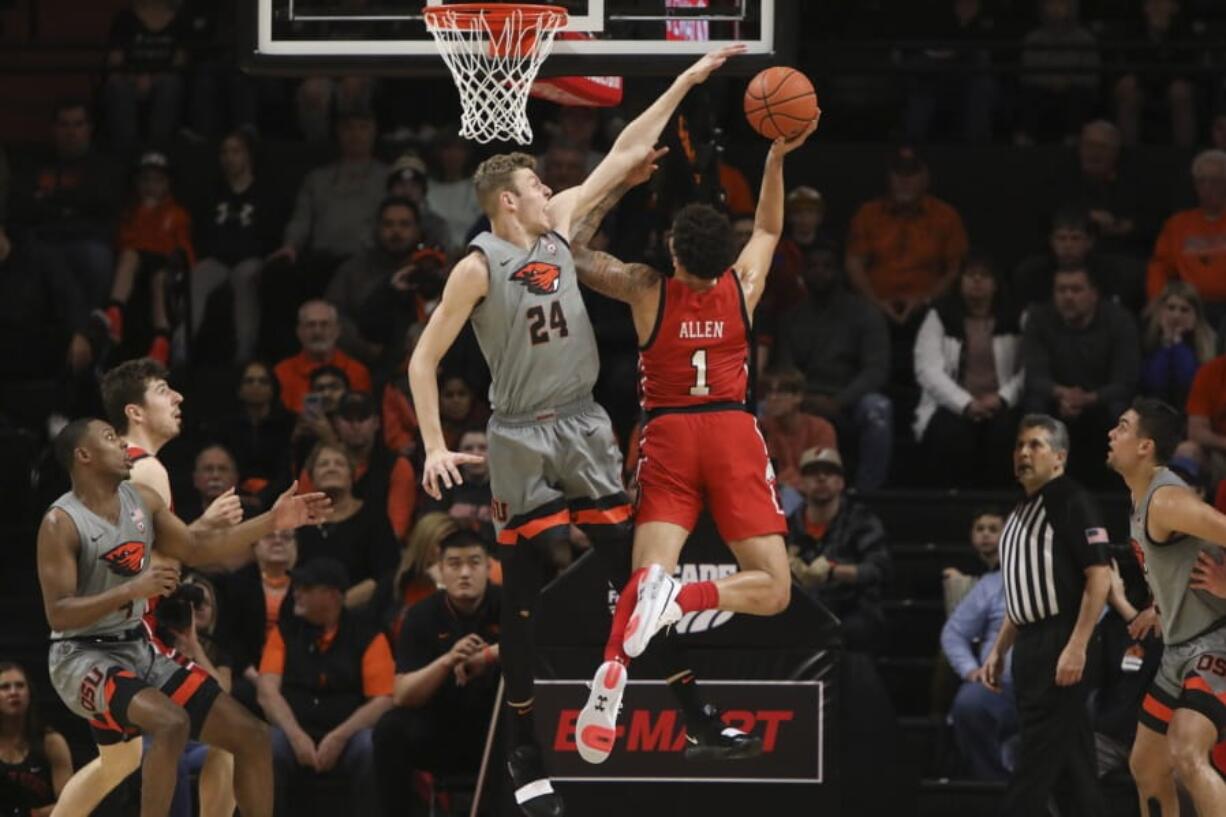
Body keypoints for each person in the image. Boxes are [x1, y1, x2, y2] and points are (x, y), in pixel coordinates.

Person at [407, 45, 753, 816]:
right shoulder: (476, 264)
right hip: (519, 436)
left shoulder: (560, 223)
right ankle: (527, 752)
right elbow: (424, 360)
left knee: (637, 576)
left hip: (585, 425)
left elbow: (628, 146)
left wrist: (688, 80)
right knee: (522, 595)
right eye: (536, 183)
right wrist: (433, 443)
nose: (549, 187)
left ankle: (690, 706)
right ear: (507, 201)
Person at [565, 110, 819, 758]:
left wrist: (620, 179)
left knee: (642, 575)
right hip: (732, 432)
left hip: (671, 438)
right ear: (720, 255)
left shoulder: (646, 288)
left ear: (674, 251)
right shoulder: (744, 286)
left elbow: (571, 248)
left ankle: (611, 681)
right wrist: (776, 158)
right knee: (775, 587)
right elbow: (768, 226)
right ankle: (683, 598)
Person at [37, 417, 329, 817]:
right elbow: (59, 613)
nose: (123, 445)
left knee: (253, 736)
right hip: (81, 655)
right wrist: (132, 589)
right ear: (83, 455)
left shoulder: (143, 499)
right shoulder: (60, 522)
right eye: (110, 438)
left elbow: (196, 548)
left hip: (137, 645)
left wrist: (271, 522)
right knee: (171, 724)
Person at [981, 414, 1111, 817]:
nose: (1023, 453)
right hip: (1032, 645)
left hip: (1062, 640)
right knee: (1074, 769)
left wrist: (1077, 644)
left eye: (1035, 445)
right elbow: (1022, 593)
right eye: (1020, 446)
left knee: (1034, 762)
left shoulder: (1071, 499)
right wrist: (999, 649)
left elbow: (1100, 576)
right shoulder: (1022, 509)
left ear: (1059, 457)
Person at [1105, 398, 1226, 816]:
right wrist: (1160, 604)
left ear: (1145, 446)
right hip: (1180, 647)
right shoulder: (1142, 498)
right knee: (1146, 765)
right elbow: (1178, 561)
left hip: (1215, 641)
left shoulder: (1168, 500)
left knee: (1188, 754)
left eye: (1122, 426)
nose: (1111, 434)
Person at [372, 529, 501, 817]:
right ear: (440, 570)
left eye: (474, 563)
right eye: (455, 564)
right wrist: (448, 660)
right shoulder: (420, 615)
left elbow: (537, 643)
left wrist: (489, 656)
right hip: (440, 726)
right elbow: (403, 694)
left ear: (489, 567)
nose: (465, 573)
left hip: (495, 726)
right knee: (390, 728)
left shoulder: (508, 605)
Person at [257, 558, 393, 817]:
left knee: (370, 747)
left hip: (349, 731)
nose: (296, 592)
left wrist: (340, 736)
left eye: (306, 588)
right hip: (293, 730)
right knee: (268, 746)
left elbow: (383, 699)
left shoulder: (370, 636)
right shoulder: (284, 632)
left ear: (332, 596)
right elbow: (267, 692)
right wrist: (296, 735)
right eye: (296, 586)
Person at [769, 240, 893, 490]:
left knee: (878, 409)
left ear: (839, 272)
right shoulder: (792, 318)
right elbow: (786, 368)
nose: (820, 273)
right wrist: (803, 398)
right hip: (804, 398)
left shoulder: (864, 314)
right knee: (765, 408)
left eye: (827, 266)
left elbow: (876, 369)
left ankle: (866, 494)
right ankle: (778, 490)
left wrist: (840, 401)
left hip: (851, 400)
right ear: (803, 273)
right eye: (813, 266)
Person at [1022, 266, 1140, 487]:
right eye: (1061, 290)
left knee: (1121, 411)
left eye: (1076, 290)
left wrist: (1088, 399)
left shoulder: (1119, 321)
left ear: (1094, 294)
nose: (1068, 296)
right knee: (1034, 406)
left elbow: (1126, 381)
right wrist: (1061, 394)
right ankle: (1037, 487)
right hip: (1057, 399)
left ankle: (1117, 491)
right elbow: (1034, 375)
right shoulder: (1039, 318)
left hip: (1100, 399)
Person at [914, 254, 1024, 487]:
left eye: (984, 276)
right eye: (970, 275)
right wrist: (965, 403)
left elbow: (1028, 369)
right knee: (950, 437)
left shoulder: (1016, 318)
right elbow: (927, 369)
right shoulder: (940, 316)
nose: (976, 281)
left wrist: (1002, 398)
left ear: (996, 284)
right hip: (951, 404)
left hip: (1002, 403)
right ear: (960, 281)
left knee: (1006, 436)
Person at [785, 447, 891, 653]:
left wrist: (834, 571)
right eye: (813, 473)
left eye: (829, 472)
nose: (821, 478)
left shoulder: (861, 521)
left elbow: (879, 569)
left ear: (841, 482)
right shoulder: (787, 527)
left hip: (851, 607)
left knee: (853, 630)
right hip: (802, 609)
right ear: (801, 484)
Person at [191, 129, 281, 364]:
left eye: (236, 151)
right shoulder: (211, 191)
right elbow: (200, 231)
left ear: (249, 155)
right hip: (216, 259)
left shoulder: (266, 192)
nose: (229, 157)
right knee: (197, 278)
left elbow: (272, 233)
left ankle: (245, 355)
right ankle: (181, 350)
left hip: (251, 259)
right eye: (224, 152)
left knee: (245, 278)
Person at [98, 151, 195, 366]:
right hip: (136, 259)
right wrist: (145, 215)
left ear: (168, 183)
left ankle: (161, 340)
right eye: (146, 180)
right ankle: (114, 313)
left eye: (158, 180)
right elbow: (124, 241)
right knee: (129, 256)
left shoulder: (177, 214)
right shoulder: (131, 212)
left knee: (161, 278)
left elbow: (183, 249)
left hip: (163, 263)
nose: (151, 186)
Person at [940, 513, 1017, 782]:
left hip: (1053, 680)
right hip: (1001, 683)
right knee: (969, 704)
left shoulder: (1067, 577)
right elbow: (954, 633)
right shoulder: (991, 584)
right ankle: (994, 785)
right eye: (980, 528)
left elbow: (1098, 619)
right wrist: (970, 669)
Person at [294, 442, 399, 610]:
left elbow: (385, 574)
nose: (331, 468)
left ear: (352, 475)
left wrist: (338, 606)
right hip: (306, 611)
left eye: (339, 464)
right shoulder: (299, 520)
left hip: (361, 611)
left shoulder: (373, 518)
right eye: (323, 464)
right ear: (311, 476)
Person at [215, 529, 297, 712]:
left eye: (286, 537)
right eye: (269, 536)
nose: (278, 542)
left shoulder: (305, 585)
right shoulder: (235, 584)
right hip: (246, 673)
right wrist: (256, 677)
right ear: (255, 546)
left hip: (293, 674)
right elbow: (228, 638)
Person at [1147, 149, 1226, 318]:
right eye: (1201, 181)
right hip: (1188, 308)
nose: (1207, 187)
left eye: (1215, 181)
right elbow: (1159, 267)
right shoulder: (1178, 224)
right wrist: (1156, 298)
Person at [274, 300, 372, 414]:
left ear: (337, 331)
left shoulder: (357, 372)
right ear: (299, 332)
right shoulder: (281, 373)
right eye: (310, 325)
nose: (317, 331)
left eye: (324, 324)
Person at [0, 663, 72, 817]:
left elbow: (70, 805)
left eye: (20, 686)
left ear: (29, 693)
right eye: (5, 687)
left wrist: (30, 814)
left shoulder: (52, 743)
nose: (14, 692)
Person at [757, 367, 838, 491]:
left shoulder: (821, 429)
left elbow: (823, 473)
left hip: (812, 495)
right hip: (772, 494)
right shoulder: (760, 429)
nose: (773, 398)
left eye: (781, 392)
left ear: (798, 397)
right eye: (769, 392)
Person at [1140, 280, 1217, 408]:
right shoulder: (1148, 337)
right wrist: (1166, 344)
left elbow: (1189, 384)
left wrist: (1177, 342)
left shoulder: (1209, 342)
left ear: (1196, 315)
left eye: (1184, 310)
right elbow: (1154, 385)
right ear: (1161, 311)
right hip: (1155, 412)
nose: (1176, 315)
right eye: (1171, 308)